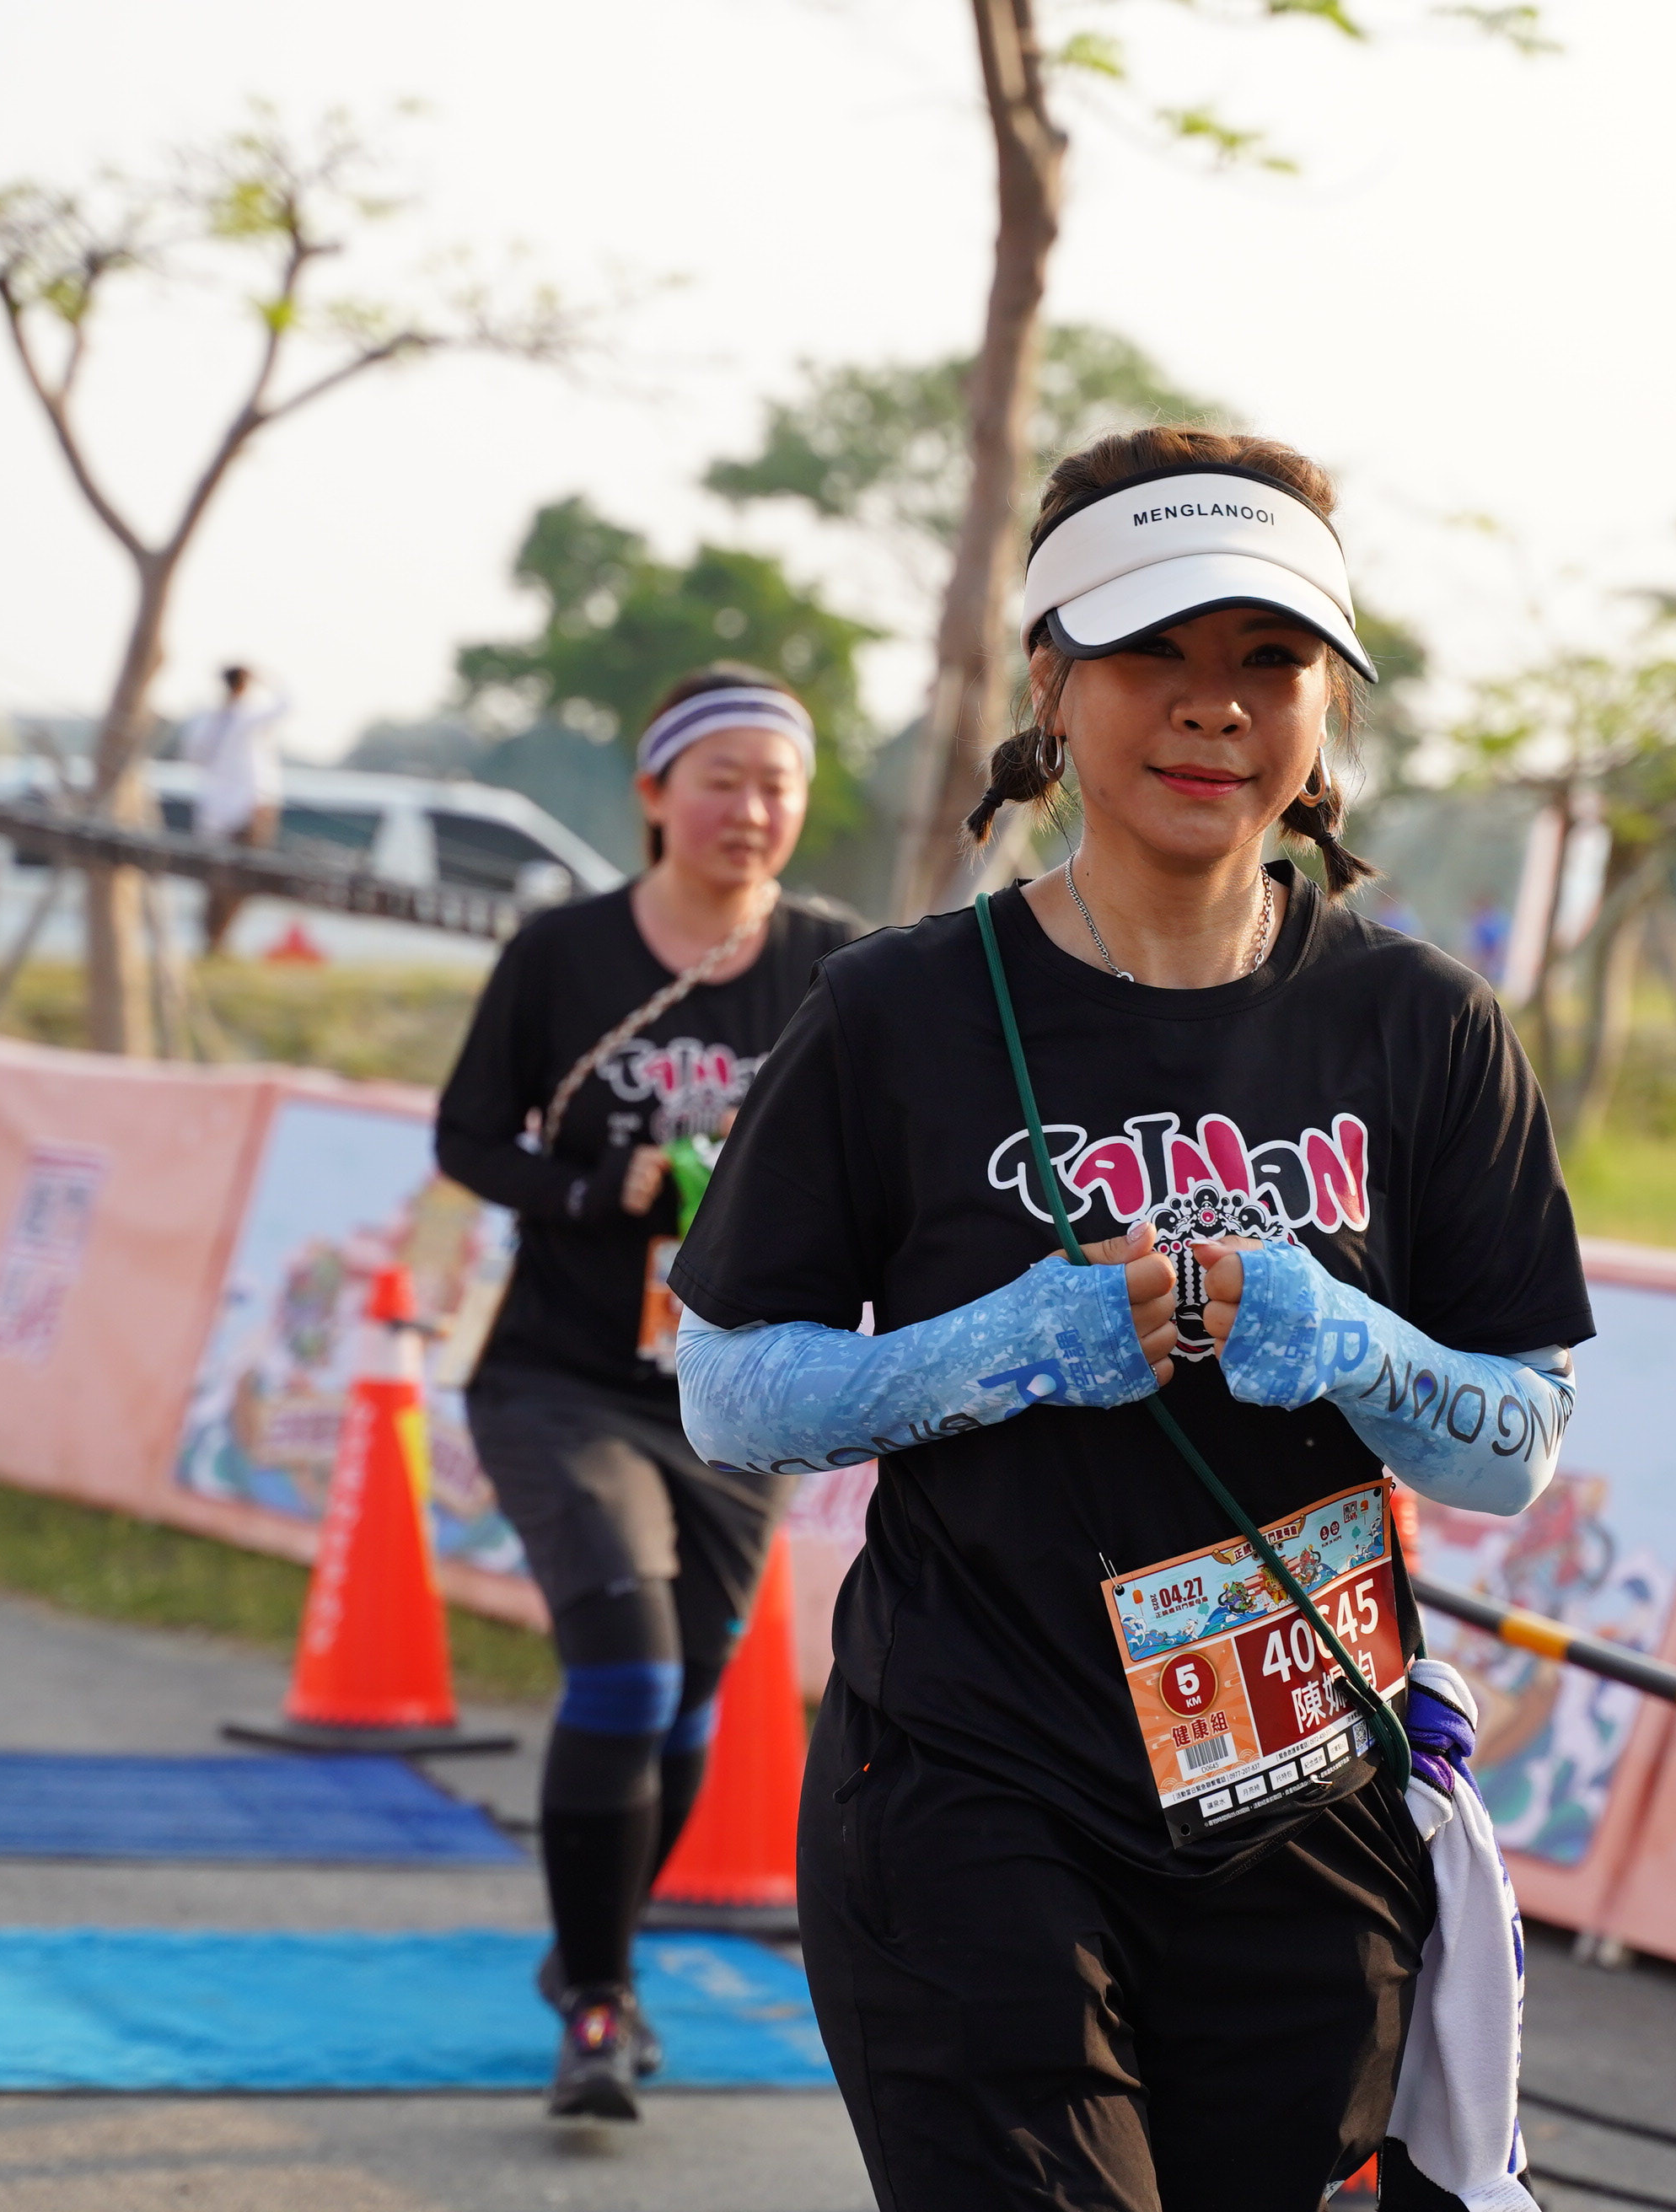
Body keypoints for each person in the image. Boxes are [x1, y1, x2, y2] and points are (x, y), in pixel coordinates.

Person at [668, 428, 1591, 2209]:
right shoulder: (896, 1012)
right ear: (1052, 683)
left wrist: (1345, 1340)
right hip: (966, 1782)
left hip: (1303, 1802)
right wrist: (1003, 1349)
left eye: (1269, 659)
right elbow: (728, 1388)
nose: (1212, 705)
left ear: (1326, 704)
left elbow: (1516, 1441)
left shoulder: (1425, 1025)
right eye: (1152, 649)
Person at [432, 663, 863, 2123]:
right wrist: (594, 1187)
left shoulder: (839, 967)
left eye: (778, 784)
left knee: (683, 1702)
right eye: (722, 779)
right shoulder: (561, 953)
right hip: (559, 1380)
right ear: (655, 792)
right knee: (623, 1665)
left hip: (737, 1398)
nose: (751, 809)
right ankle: (604, 2003)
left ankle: (589, 1948)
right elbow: (466, 1136)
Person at [178, 665, 288, 953]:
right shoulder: (214, 719)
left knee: (245, 879)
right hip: (220, 811)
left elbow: (287, 706)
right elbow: (195, 756)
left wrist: (266, 681)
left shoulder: (247, 716)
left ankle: (220, 939)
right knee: (218, 880)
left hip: (247, 809)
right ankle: (214, 941)